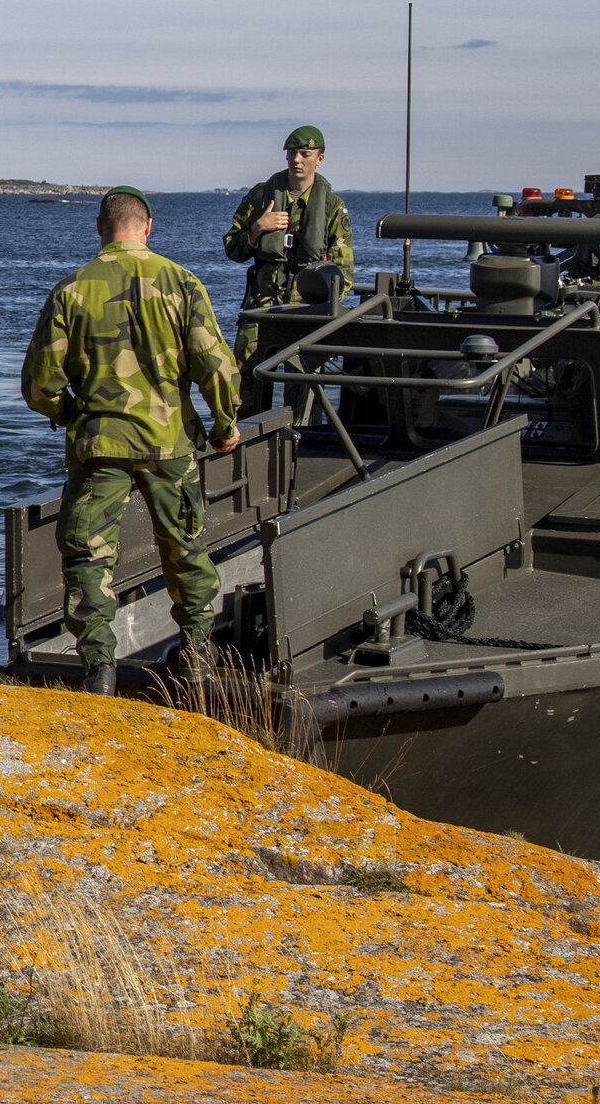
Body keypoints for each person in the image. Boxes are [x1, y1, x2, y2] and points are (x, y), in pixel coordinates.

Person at [21, 187, 240, 695]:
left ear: (100, 228)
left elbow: (38, 386)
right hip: (171, 442)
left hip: (100, 446)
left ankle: (99, 668)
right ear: (148, 227)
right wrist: (225, 425)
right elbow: (217, 366)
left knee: (89, 555)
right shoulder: (182, 283)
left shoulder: (71, 291)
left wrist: (73, 413)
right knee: (185, 545)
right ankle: (198, 653)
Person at [222, 124, 353, 416]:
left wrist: (322, 300)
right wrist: (258, 228)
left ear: (319, 158)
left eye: (305, 154)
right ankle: (242, 441)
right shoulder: (262, 196)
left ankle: (300, 442)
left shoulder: (331, 206)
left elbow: (345, 273)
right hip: (261, 308)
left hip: (305, 311)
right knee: (243, 380)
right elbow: (232, 249)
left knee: (304, 385)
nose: (297, 160)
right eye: (292, 153)